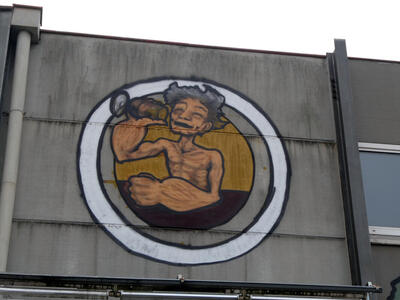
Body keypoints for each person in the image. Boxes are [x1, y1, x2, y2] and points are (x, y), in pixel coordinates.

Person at [111, 82, 227, 212]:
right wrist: (137, 121)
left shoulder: (212, 156)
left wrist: (162, 193)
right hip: (170, 210)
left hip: (202, 212)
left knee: (164, 185)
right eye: (178, 110)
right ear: (171, 115)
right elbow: (123, 155)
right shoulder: (166, 145)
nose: (184, 116)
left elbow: (213, 197)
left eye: (196, 115)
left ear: (205, 126)